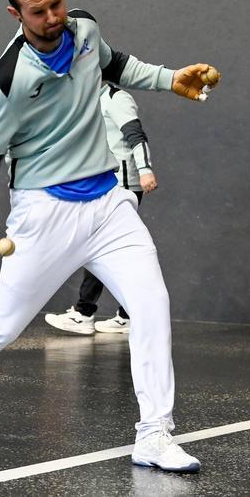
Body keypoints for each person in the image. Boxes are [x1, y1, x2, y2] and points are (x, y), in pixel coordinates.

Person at [0, 0, 220, 473]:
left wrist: (169, 79)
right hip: (44, 214)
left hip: (109, 203)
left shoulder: (85, 28)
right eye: (39, 11)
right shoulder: (6, 82)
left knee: (151, 306)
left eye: (57, 2)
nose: (53, 16)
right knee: (4, 325)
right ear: (16, 14)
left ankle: (154, 434)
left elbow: (115, 64)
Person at [45, 83, 158, 335]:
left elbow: (136, 135)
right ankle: (126, 314)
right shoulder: (87, 100)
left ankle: (85, 313)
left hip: (122, 186)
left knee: (99, 246)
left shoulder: (117, 98)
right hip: (103, 185)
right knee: (110, 249)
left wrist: (145, 169)